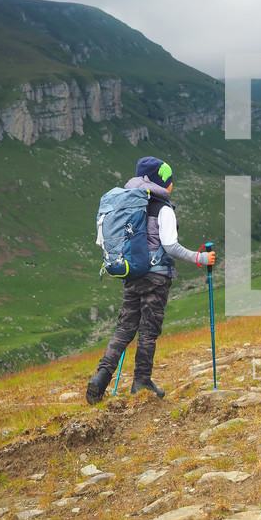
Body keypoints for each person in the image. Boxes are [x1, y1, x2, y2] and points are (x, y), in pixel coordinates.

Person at [86, 156, 215, 404]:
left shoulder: (130, 206)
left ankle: (101, 378)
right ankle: (141, 382)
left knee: (124, 328)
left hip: (132, 273)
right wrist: (199, 258)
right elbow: (170, 245)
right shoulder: (162, 209)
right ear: (162, 182)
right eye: (169, 180)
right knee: (148, 330)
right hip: (156, 278)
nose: (171, 185)